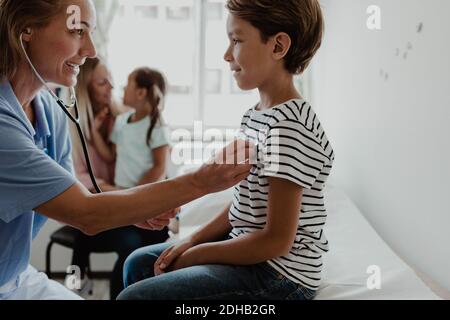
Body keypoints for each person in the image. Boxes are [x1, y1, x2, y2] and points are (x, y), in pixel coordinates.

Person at [0, 0, 252, 300]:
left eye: (91, 32)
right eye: (77, 31)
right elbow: (85, 214)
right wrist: (201, 181)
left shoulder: (50, 109)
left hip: (15, 277)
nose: (91, 49)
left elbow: (75, 193)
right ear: (25, 29)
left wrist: (133, 210)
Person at [118, 0, 334, 301]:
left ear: (278, 46)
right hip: (252, 254)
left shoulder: (290, 128)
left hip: (279, 276)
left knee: (135, 296)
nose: (226, 54)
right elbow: (243, 204)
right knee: (137, 263)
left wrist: (196, 255)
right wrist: (190, 240)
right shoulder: (256, 115)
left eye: (236, 40)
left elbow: (276, 241)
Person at [69, 59, 170, 299]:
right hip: (100, 203)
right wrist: (113, 190)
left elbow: (155, 161)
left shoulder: (128, 117)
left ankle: (120, 294)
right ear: (86, 87)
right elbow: (79, 175)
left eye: (113, 81)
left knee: (142, 242)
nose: (112, 88)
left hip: (130, 201)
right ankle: (75, 284)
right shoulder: (73, 123)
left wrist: (133, 194)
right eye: (103, 82)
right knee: (99, 235)